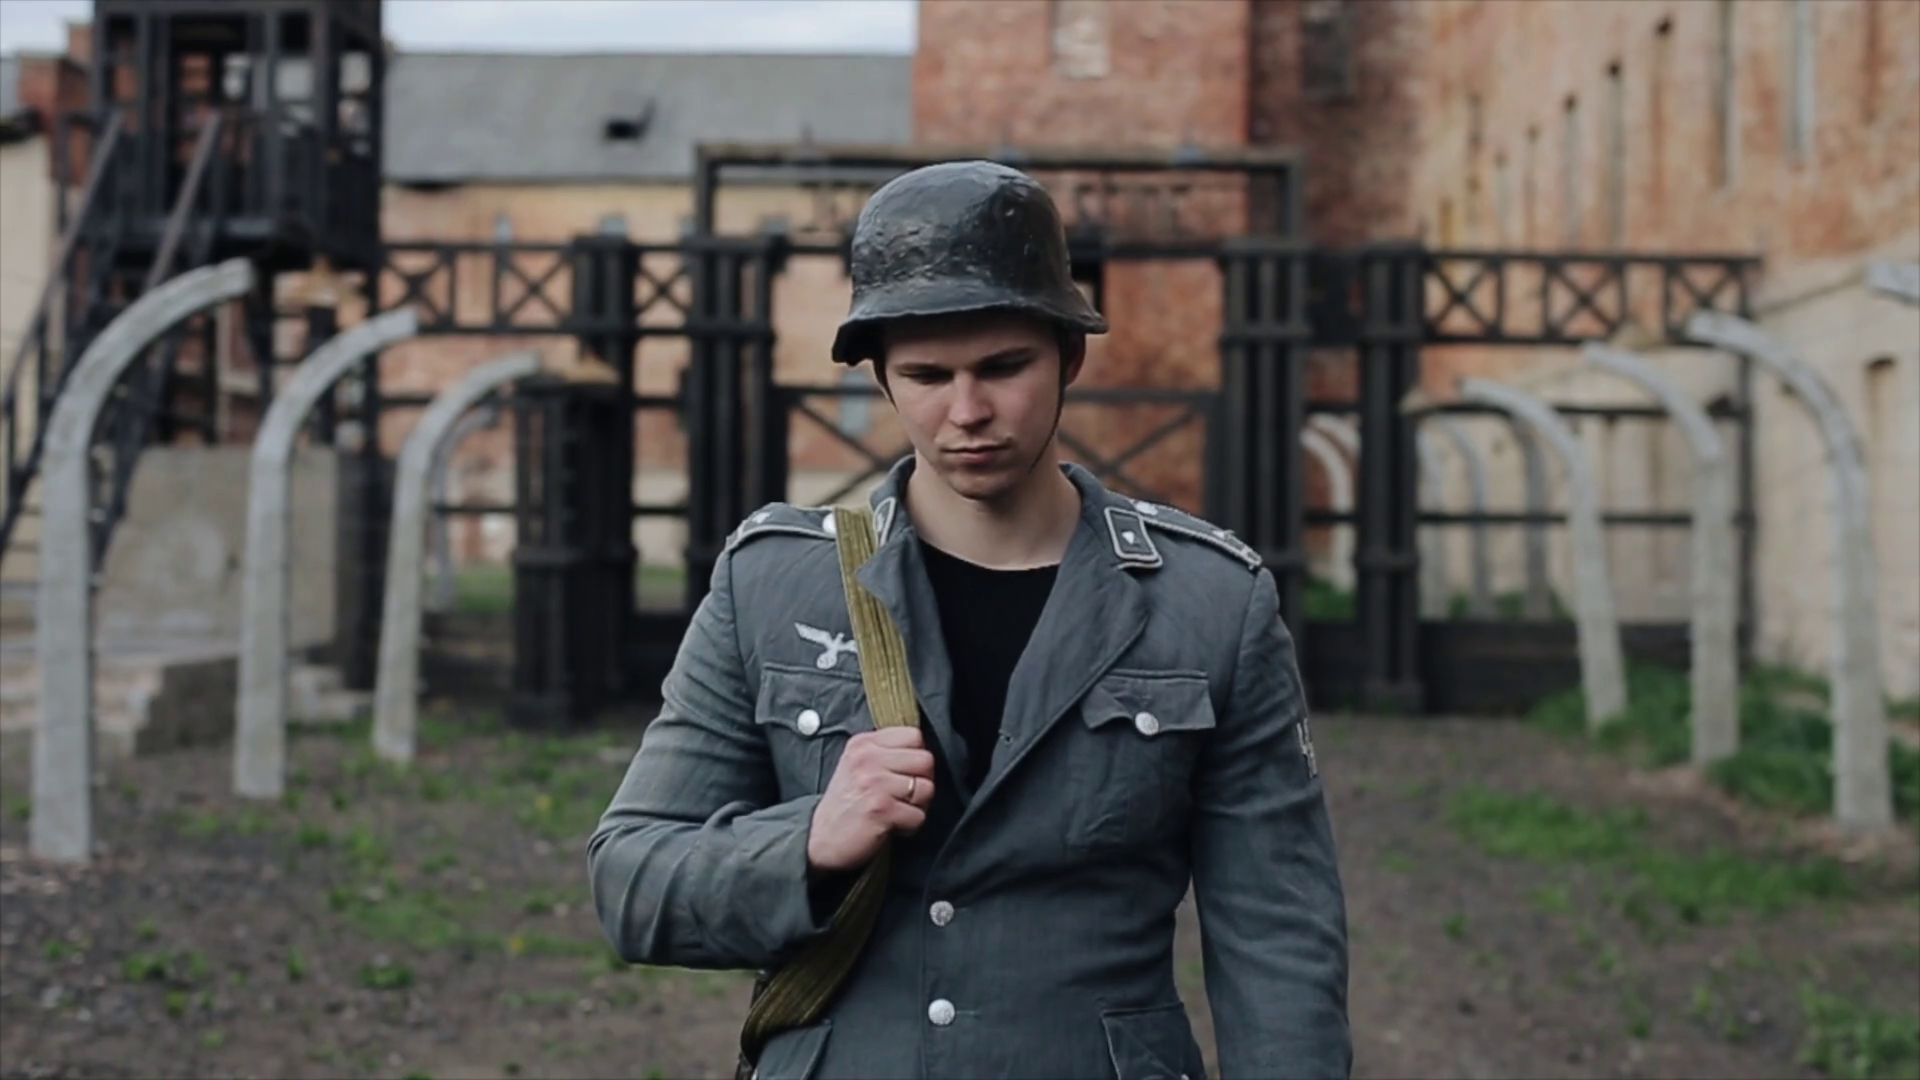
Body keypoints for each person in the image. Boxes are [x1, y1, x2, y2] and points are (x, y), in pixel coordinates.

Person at [587, 160, 1350, 1080]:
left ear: (1068, 356)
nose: (968, 412)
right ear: (881, 377)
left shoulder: (1211, 603)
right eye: (926, 375)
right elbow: (633, 883)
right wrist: (812, 844)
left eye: (1003, 367)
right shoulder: (773, 585)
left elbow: (1279, 939)